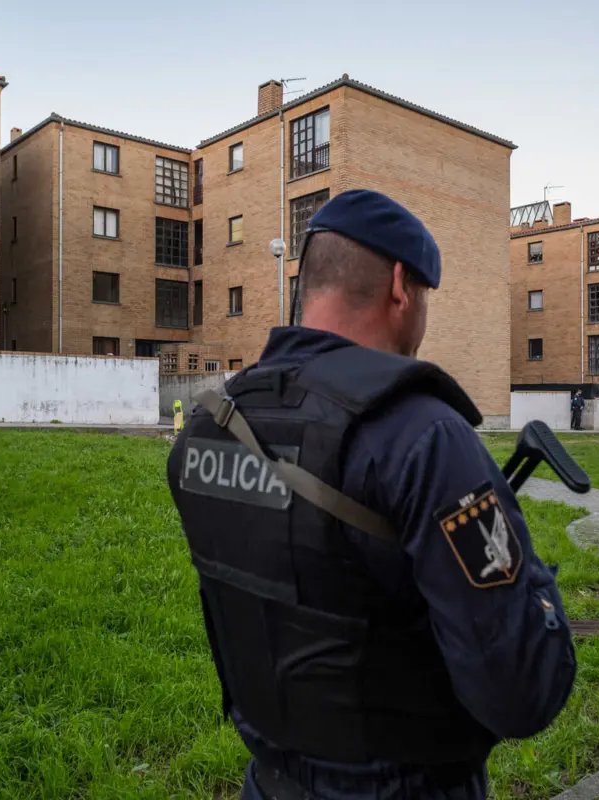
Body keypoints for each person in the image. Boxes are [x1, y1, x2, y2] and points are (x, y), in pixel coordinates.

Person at [166, 189, 576, 800]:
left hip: (269, 782)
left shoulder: (208, 426)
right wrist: (534, 587)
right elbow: (521, 690)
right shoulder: (423, 434)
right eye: (426, 297)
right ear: (401, 287)